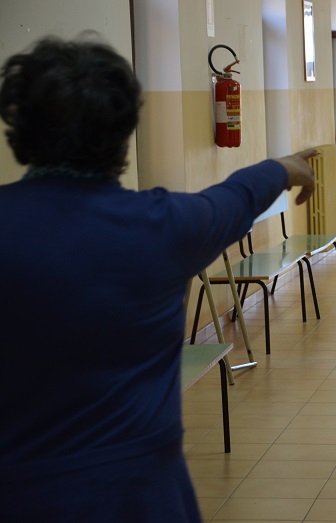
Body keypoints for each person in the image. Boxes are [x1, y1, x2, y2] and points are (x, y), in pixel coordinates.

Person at [0, 36, 315, 522]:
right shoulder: (165, 227)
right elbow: (232, 197)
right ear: (124, 131)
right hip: (141, 498)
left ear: (19, 129)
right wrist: (281, 167)